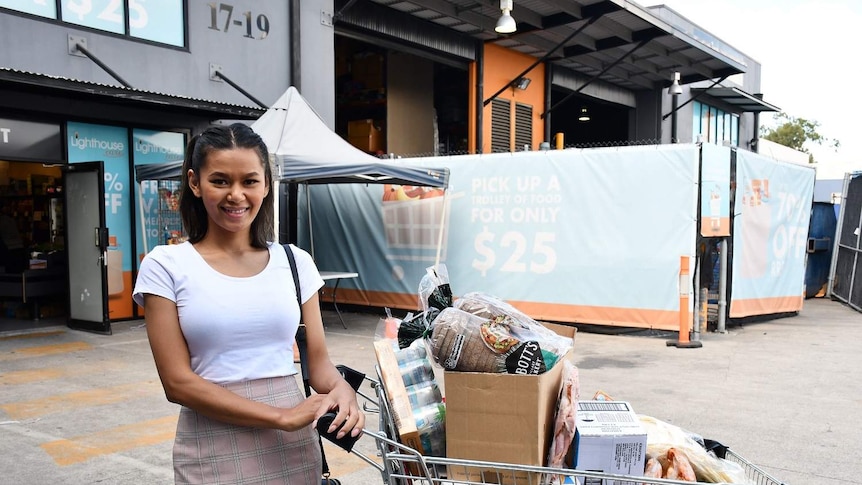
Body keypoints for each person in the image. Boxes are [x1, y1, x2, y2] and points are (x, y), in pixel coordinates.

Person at [132, 123, 364, 484]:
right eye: (220, 181)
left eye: (249, 181)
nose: (236, 195)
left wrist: (342, 389)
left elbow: (319, 365)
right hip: (212, 441)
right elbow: (177, 383)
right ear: (195, 183)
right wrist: (280, 417)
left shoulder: (295, 262)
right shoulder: (166, 265)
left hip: (292, 447)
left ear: (267, 184)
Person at [0, 201, 27, 273]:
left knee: (11, 272)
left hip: (9, 248)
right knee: (20, 272)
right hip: (19, 247)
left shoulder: (2, 221)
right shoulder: (11, 220)